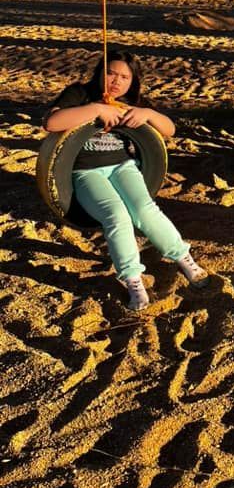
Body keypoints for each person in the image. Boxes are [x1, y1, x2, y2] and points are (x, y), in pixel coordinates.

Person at [43, 49, 209, 311]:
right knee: (116, 215)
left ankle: (183, 258)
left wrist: (148, 115)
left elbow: (170, 129)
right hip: (85, 172)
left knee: (144, 208)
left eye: (124, 77)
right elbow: (52, 123)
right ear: (100, 73)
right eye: (111, 73)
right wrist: (96, 108)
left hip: (124, 166)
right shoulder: (80, 94)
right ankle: (133, 280)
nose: (116, 81)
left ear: (132, 82)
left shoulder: (132, 102)